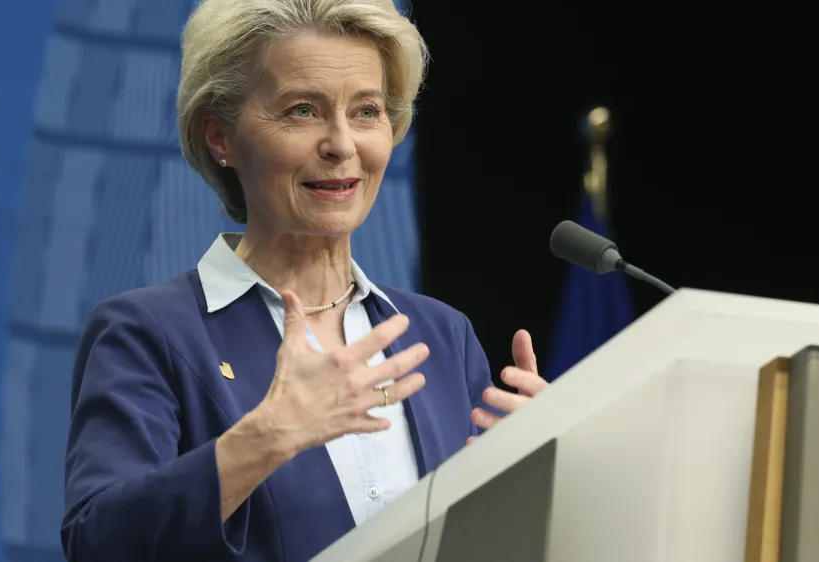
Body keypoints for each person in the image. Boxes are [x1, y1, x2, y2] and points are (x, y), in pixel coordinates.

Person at [60, 0, 549, 560]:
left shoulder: (440, 335)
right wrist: (265, 438)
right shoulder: (148, 333)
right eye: (301, 111)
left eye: (366, 111)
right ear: (219, 136)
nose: (342, 144)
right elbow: (96, 540)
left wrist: (544, 462)